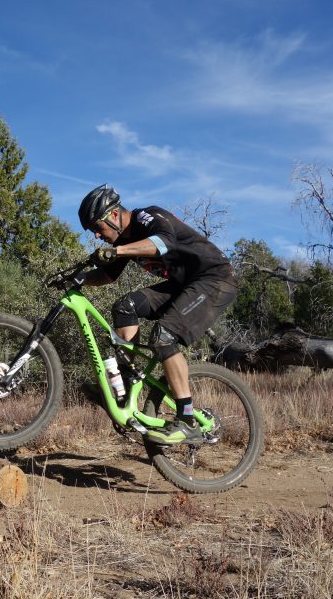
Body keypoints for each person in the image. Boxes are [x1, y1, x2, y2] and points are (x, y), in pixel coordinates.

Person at [78, 183, 238, 444]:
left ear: (114, 214)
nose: (97, 235)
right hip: (185, 285)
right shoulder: (123, 240)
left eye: (97, 227)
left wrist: (117, 251)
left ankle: (187, 421)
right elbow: (107, 275)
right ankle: (125, 384)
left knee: (164, 335)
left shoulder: (147, 216)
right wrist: (78, 279)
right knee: (125, 306)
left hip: (215, 279)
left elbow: (164, 242)